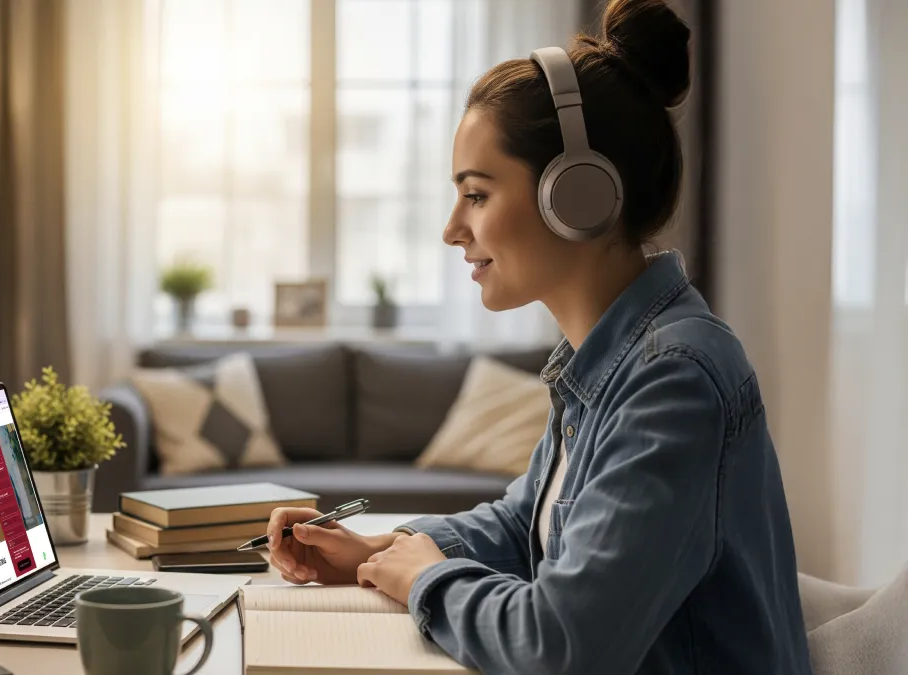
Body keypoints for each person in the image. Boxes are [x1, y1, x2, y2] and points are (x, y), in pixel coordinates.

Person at [264, 1, 812, 673]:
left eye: (478, 195)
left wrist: (425, 578)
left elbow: (563, 646)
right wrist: (379, 548)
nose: (451, 228)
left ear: (576, 195)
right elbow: (522, 527)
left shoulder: (675, 378)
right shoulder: (603, 359)